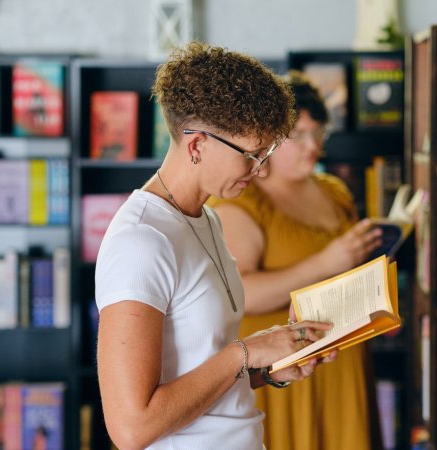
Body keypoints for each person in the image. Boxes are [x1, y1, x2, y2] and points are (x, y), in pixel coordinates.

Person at [95, 42, 337, 450]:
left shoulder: (208, 220)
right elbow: (132, 428)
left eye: (266, 154)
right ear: (197, 145)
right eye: (251, 155)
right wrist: (246, 351)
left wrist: (270, 366)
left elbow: (199, 370)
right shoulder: (141, 241)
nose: (260, 171)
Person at [212, 71, 383, 450]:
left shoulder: (334, 190)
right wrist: (326, 262)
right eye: (298, 135)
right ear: (268, 139)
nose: (312, 146)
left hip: (343, 358)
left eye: (318, 133)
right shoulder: (243, 199)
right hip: (283, 367)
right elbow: (240, 293)